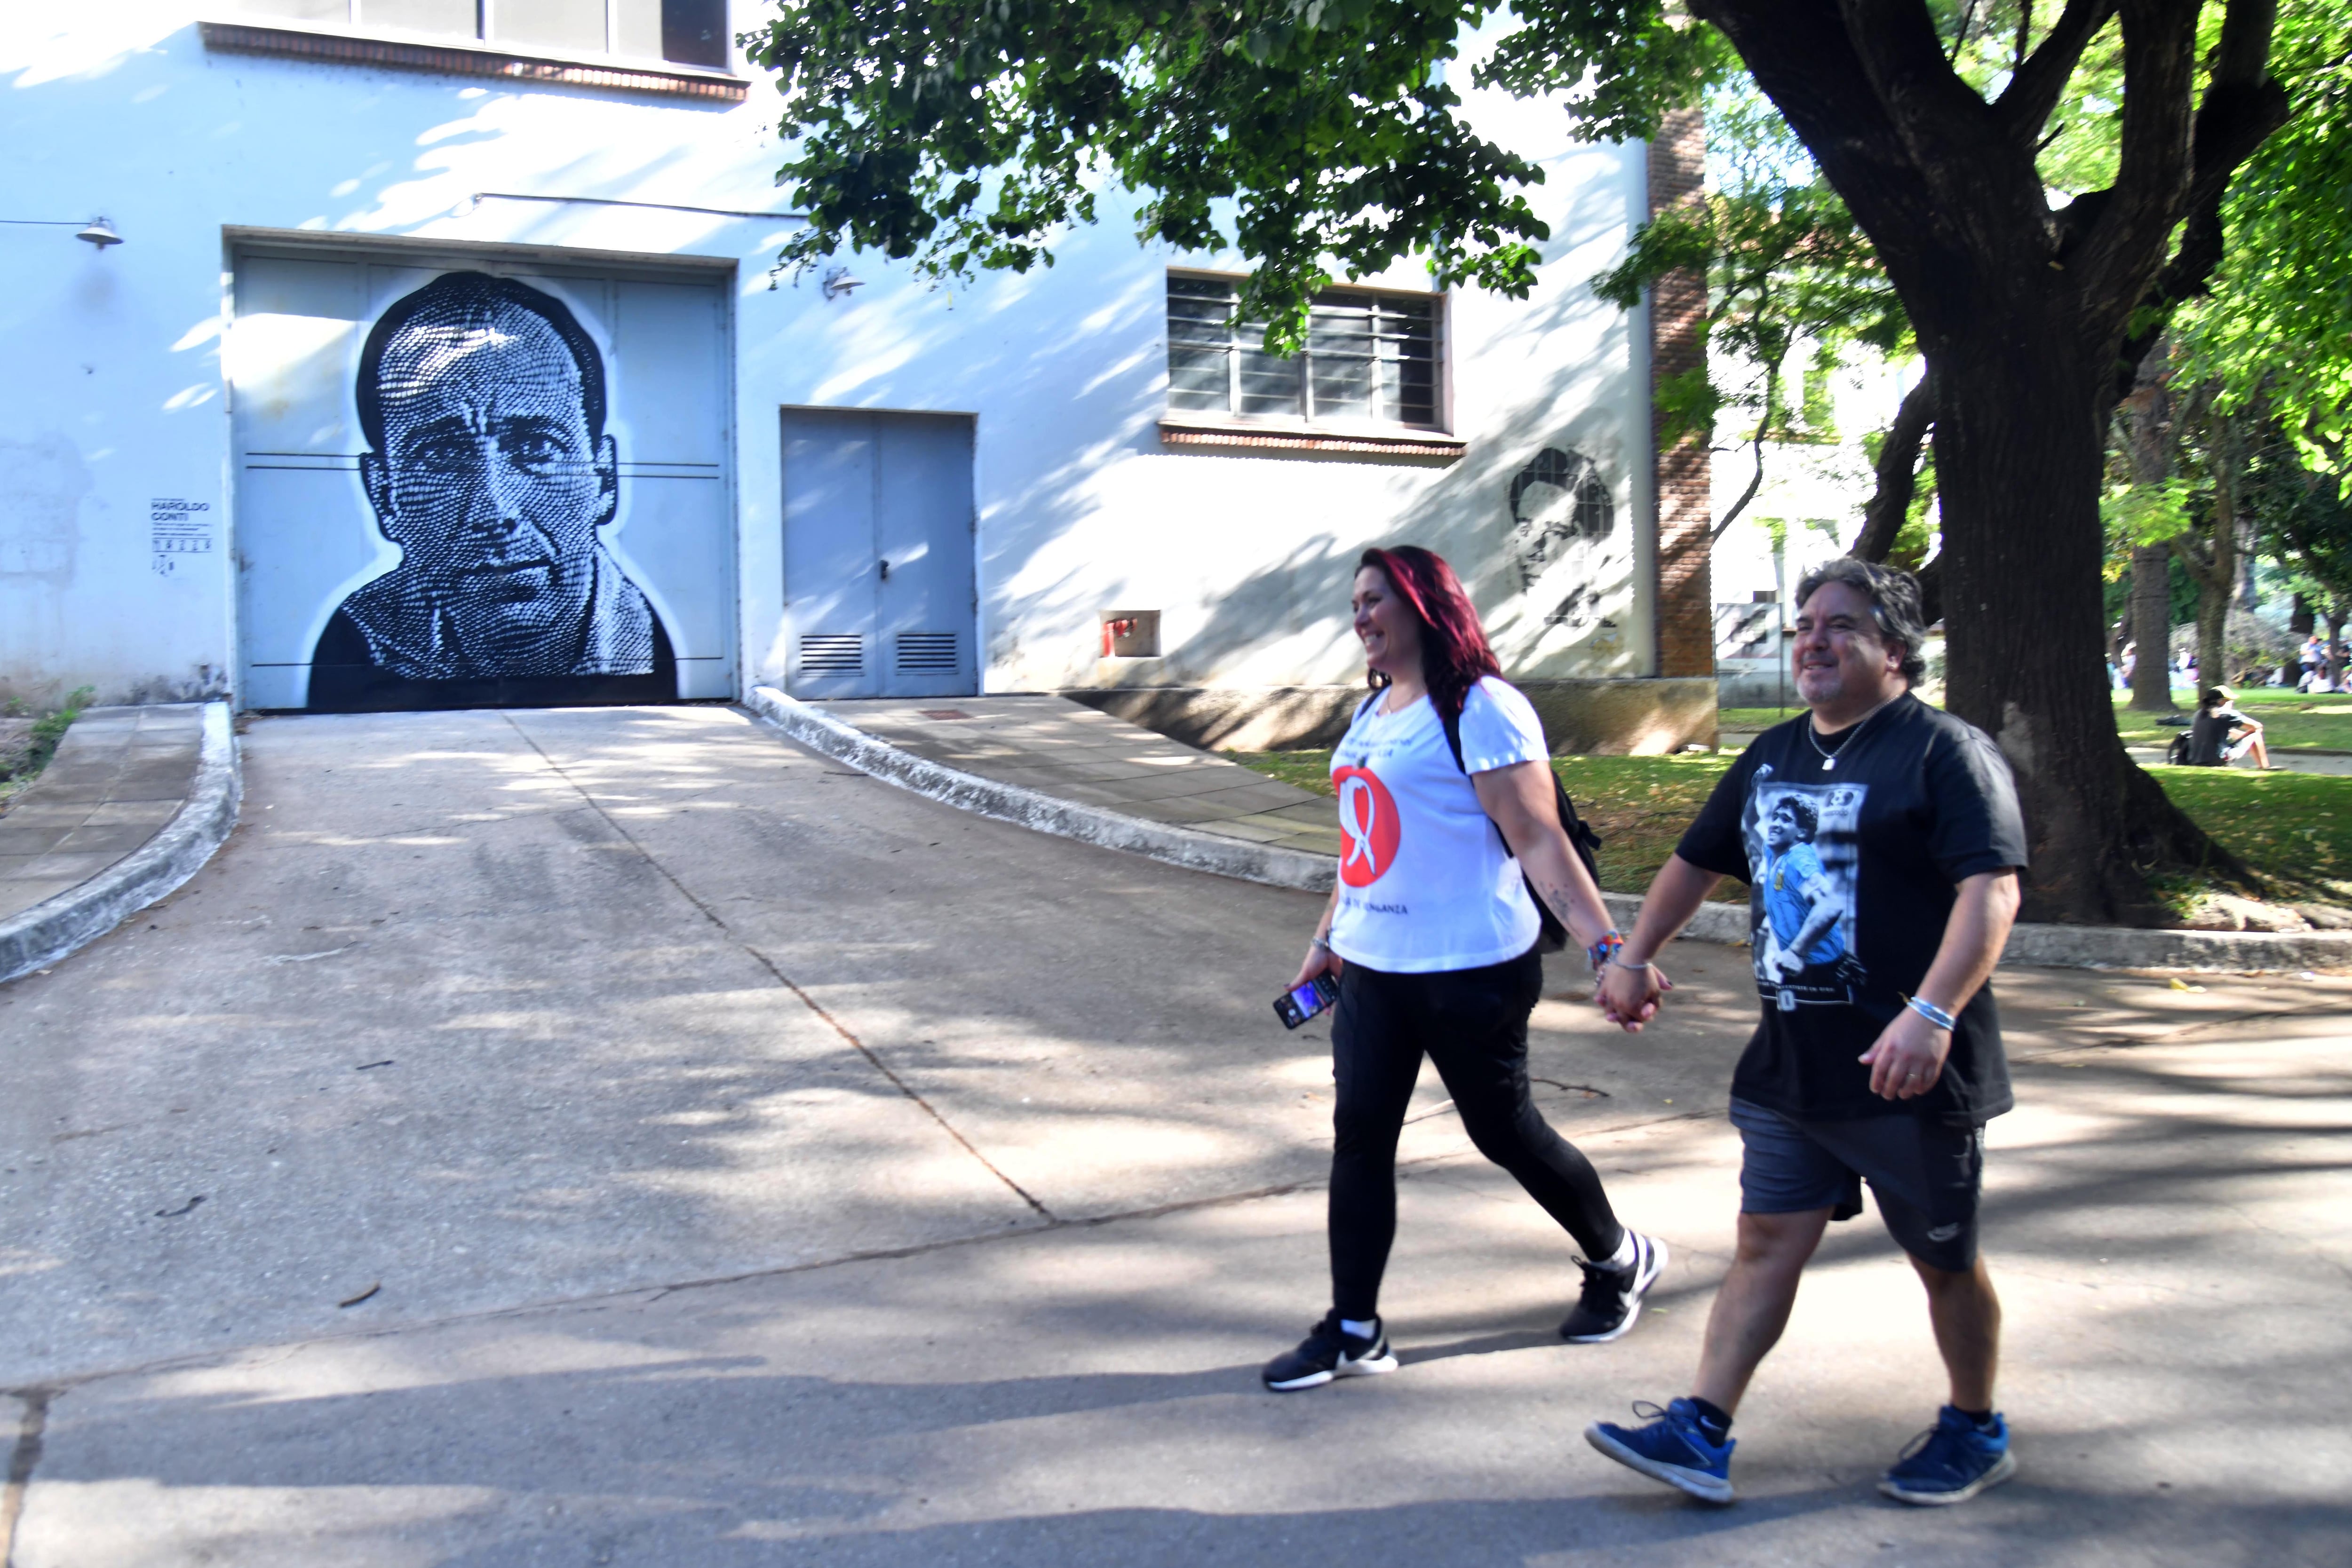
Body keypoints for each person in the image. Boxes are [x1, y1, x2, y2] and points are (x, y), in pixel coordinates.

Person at [1584, 558, 2026, 1508]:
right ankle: (1699, 1426)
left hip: (1908, 1071)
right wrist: (1630, 952)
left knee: (1942, 1259)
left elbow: (1991, 887)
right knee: (1763, 1240)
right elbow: (1695, 861)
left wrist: (1933, 1010)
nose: (1813, 641)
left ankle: (1974, 1424)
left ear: (1895, 651)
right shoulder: (1775, 751)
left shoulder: (1942, 751)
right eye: (1804, 625)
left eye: (1842, 626)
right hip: (1793, 1064)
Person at [1263, 546, 1667, 1392]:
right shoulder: (1375, 713)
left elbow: (1539, 837)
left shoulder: (1483, 706)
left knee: (1503, 1129)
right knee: (1361, 1137)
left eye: (1376, 599)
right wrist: (1325, 941)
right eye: (1355, 604)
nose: (1361, 616)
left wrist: (1609, 949)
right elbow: (1362, 845)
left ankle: (1620, 1257)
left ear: (1423, 603)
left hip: (1471, 967)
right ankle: (1354, 1328)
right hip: (1374, 965)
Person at [307, 271, 677, 712]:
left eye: (537, 447)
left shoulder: (649, 644)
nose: (494, 508)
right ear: (385, 497)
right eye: (443, 456)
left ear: (603, 480)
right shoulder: (358, 640)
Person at [2187, 686, 2273, 769]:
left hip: (2196, 760)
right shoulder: (2227, 713)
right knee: (2256, 734)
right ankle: (2265, 767)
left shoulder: (2198, 714)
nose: (2232, 703)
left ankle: (2262, 767)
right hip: (2218, 760)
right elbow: (2257, 726)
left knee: (2238, 733)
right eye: (2230, 701)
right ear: (2222, 701)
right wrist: (2244, 735)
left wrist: (2237, 734)